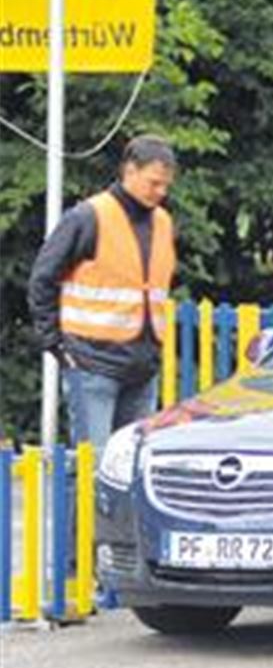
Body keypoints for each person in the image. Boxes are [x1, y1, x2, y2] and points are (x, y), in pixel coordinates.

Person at [29, 134, 178, 452]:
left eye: (166, 185)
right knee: (93, 469)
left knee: (128, 471)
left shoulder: (164, 223)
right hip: (92, 364)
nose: (161, 192)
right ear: (130, 171)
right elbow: (42, 278)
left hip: (142, 367)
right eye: (154, 183)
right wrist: (55, 343)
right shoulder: (89, 216)